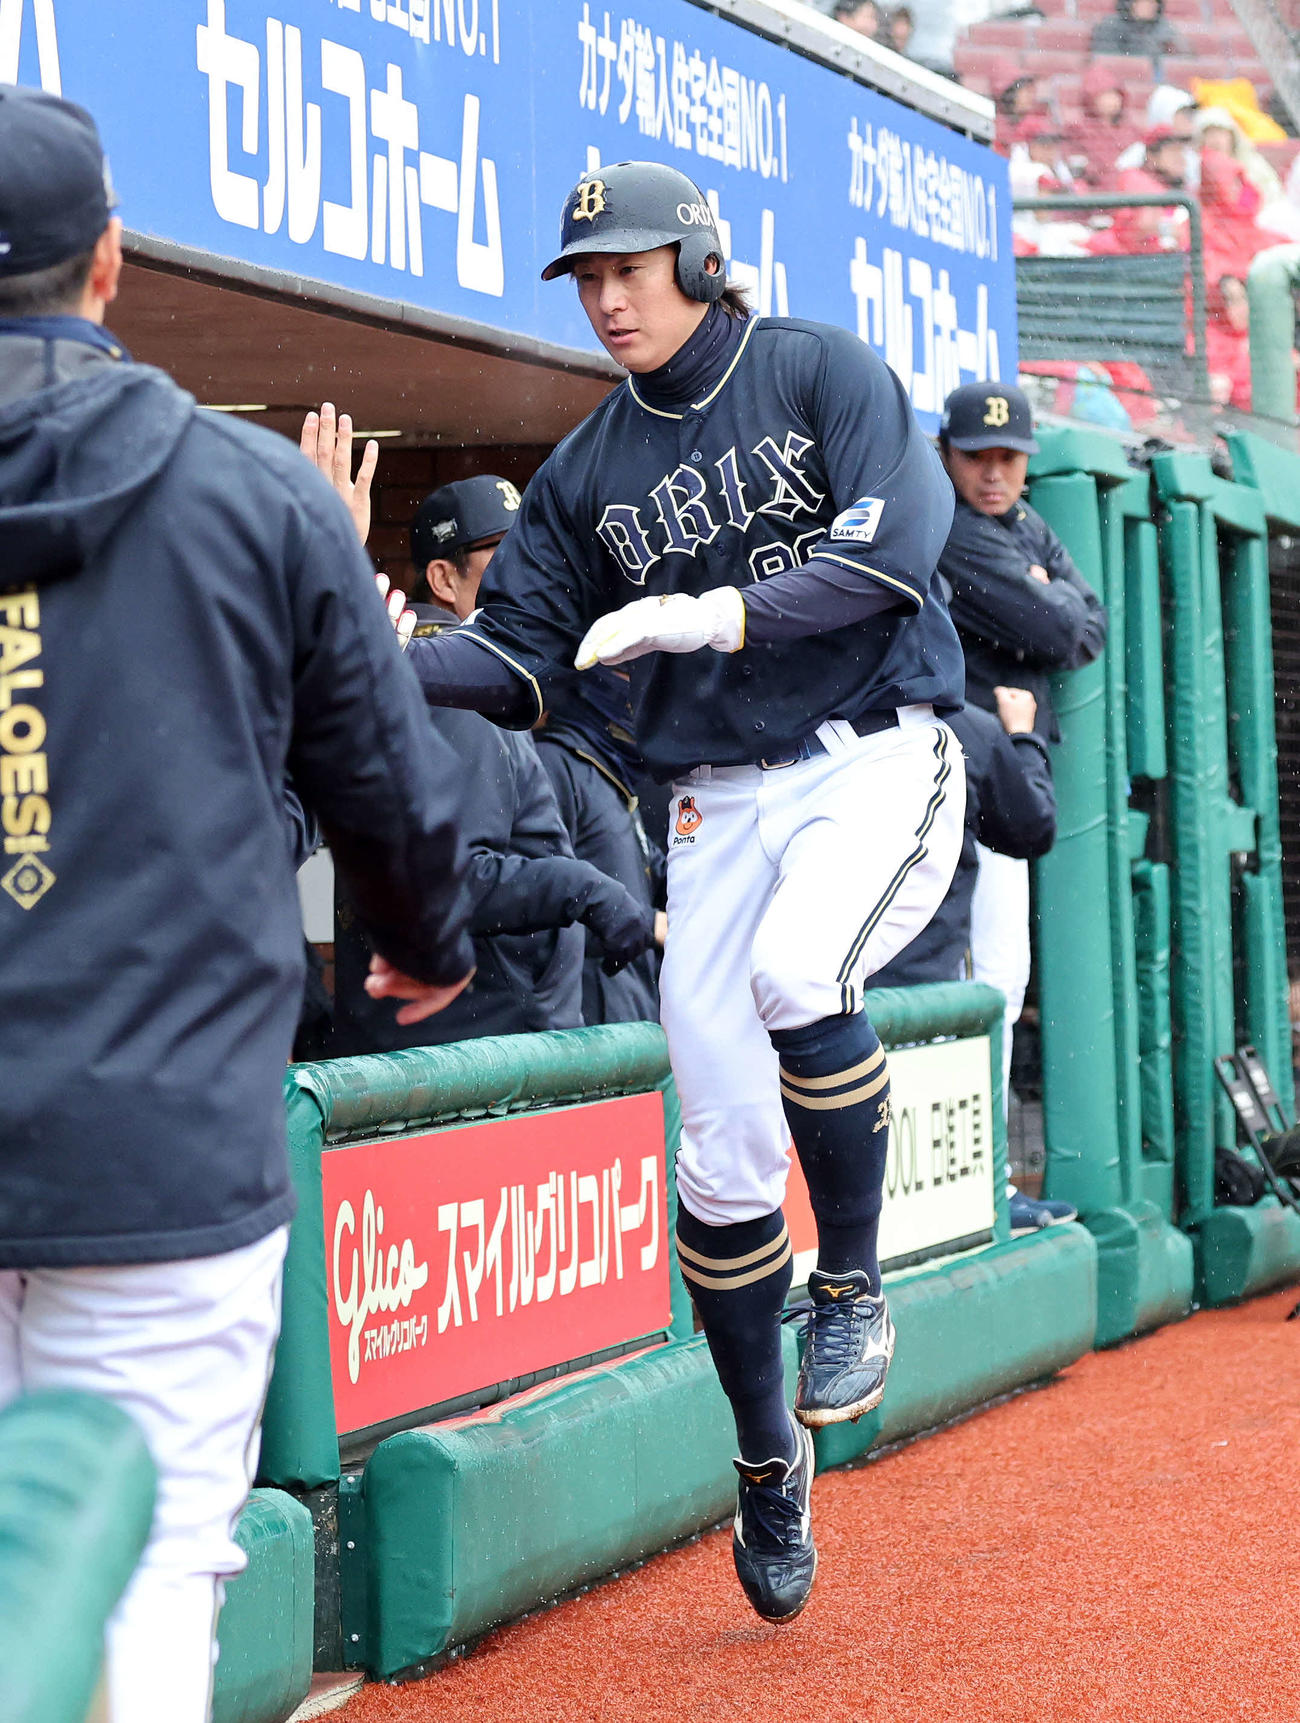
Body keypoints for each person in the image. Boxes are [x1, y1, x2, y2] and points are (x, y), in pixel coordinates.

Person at [385, 161, 966, 1624]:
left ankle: (852, 1285)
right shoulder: (583, 471)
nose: (606, 297)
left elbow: (894, 554)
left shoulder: (817, 368)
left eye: (630, 267)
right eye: (586, 276)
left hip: (870, 753)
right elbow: (516, 658)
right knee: (716, 1158)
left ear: (702, 260)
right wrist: (378, 658)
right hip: (714, 798)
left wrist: (718, 612)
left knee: (797, 972)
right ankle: (768, 1456)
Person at [0, 88, 475, 1722]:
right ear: (110, 262)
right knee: (140, 1585)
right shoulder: (259, 494)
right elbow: (393, 791)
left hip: (147, 1137)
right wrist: (426, 940)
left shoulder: (258, 496)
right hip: (163, 1146)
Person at [323, 469, 653, 1052]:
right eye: (503, 551)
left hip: (453, 1049)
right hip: (472, 1055)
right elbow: (450, 877)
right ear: (443, 578)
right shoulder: (446, 681)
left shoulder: (452, 671)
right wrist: (586, 889)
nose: (530, 565)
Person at [936, 381, 1105, 1227]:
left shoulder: (1024, 525)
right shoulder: (952, 527)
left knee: (999, 976)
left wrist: (1049, 594)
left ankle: (986, 1180)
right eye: (978, 456)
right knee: (967, 981)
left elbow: (1089, 624)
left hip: (1006, 773)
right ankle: (967, 1186)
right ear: (948, 454)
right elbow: (1055, 630)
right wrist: (1045, 594)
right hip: (959, 780)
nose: (994, 472)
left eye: (1009, 458)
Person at [871, 686, 1071, 1231]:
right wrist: (1023, 739)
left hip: (835, 983)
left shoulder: (816, 709)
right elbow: (1032, 824)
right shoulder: (966, 728)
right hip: (901, 988)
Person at [535, 666, 664, 1026]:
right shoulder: (553, 762)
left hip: (632, 1021)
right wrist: (649, 923)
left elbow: (655, 871)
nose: (643, 691)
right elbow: (540, 906)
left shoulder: (613, 773)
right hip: (587, 1028)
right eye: (627, 671)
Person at [1088, 0, 1180, 66]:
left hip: (1154, 81)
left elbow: (1179, 56)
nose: (1150, 6)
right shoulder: (1110, 26)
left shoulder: (1163, 26)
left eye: (1153, 2)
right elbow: (1106, 60)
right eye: (1144, 2)